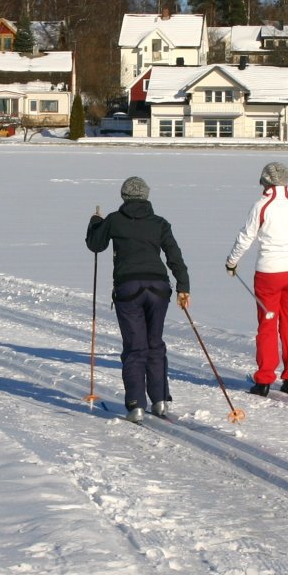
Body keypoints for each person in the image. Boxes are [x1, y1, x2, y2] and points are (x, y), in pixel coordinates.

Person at [86, 176, 191, 423]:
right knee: (155, 343)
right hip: (159, 287)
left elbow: (95, 245)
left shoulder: (114, 219)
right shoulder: (159, 223)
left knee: (135, 347)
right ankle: (161, 401)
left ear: (124, 196)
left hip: (128, 288)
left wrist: (94, 222)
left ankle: (136, 405)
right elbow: (174, 255)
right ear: (146, 196)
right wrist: (183, 287)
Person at [225, 161, 288, 396]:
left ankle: (265, 379)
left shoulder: (262, 206)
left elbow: (246, 237)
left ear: (265, 181)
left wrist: (232, 262)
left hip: (269, 274)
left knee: (267, 324)